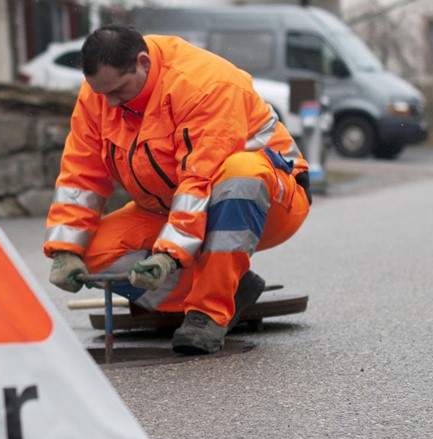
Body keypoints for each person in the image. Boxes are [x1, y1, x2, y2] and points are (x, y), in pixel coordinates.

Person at [44, 25, 312, 354]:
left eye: (119, 90)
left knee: (242, 172)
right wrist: (65, 251)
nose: (110, 103)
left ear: (143, 63)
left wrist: (169, 255)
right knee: (92, 252)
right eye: (102, 94)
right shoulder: (100, 94)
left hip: (267, 202)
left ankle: (208, 314)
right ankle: (230, 285)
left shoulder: (204, 84)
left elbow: (200, 180)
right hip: (172, 206)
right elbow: (80, 173)